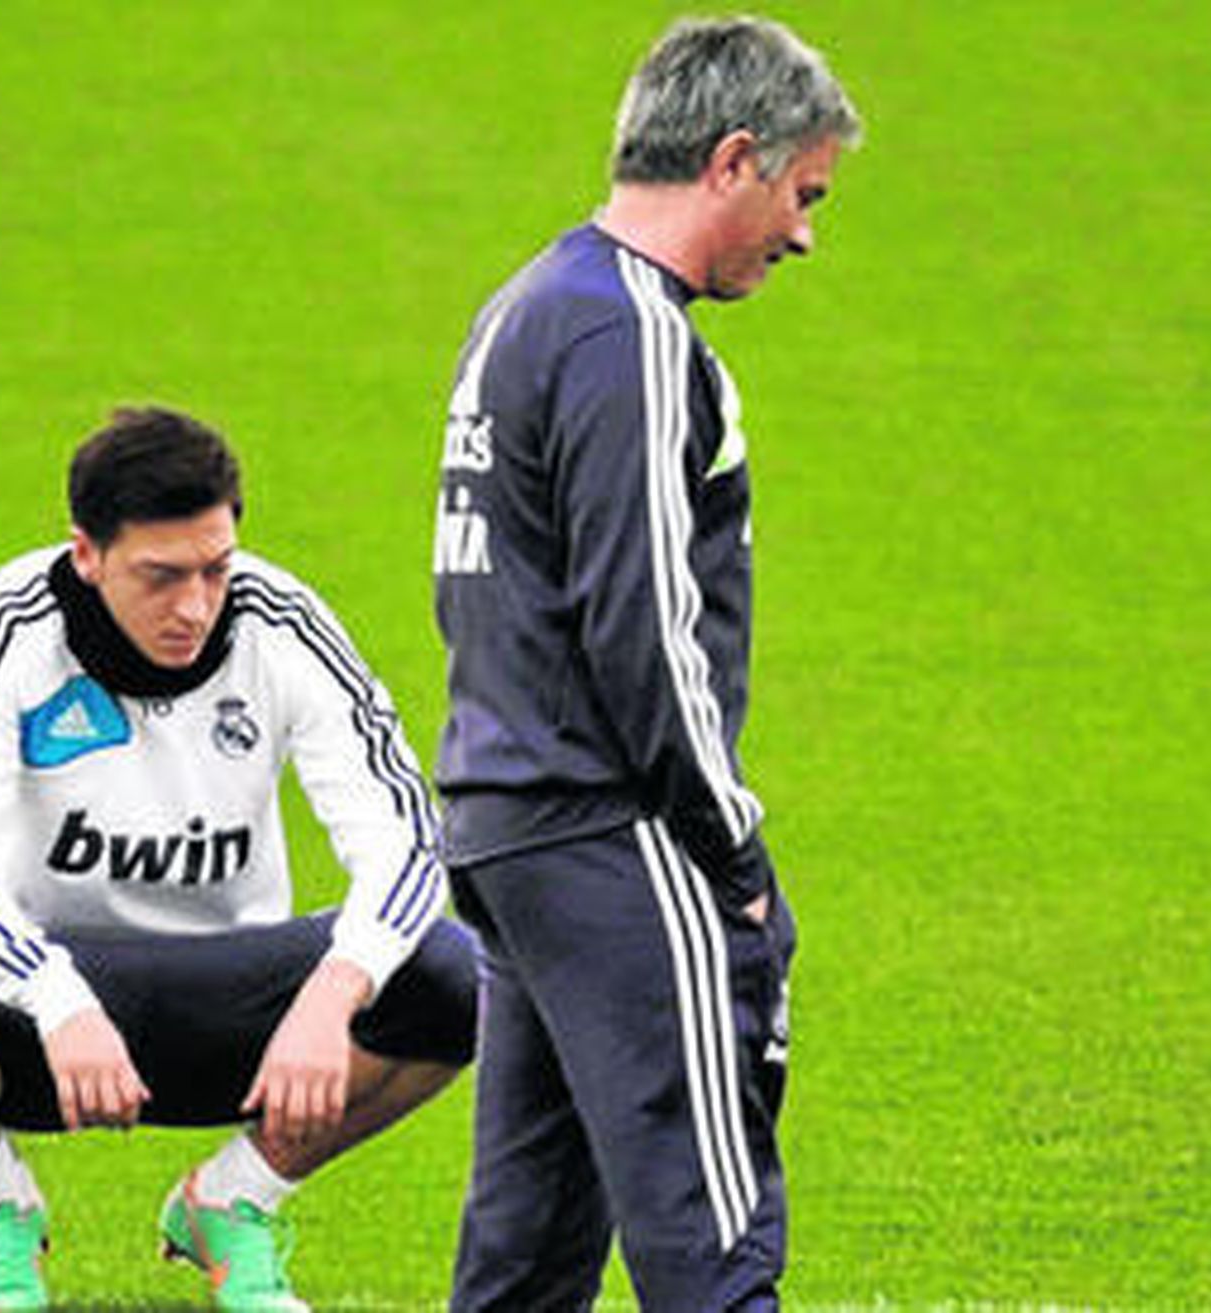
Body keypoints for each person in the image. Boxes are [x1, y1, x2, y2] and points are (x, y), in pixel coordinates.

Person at [0, 405, 477, 1313]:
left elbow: (407, 840)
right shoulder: (9, 624)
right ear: (87, 555)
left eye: (215, 568)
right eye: (161, 576)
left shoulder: (281, 621)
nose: (195, 605)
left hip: (239, 1010)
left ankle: (234, 1199)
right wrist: (55, 998)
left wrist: (335, 993)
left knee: (452, 974)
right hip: (45, 1021)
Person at [431, 16, 861, 1311]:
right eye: (802, 194)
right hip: (612, 834)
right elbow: (646, 630)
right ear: (732, 159)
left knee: (525, 1263)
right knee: (713, 1249)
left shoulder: (524, 309)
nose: (802, 235)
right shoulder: (632, 336)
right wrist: (734, 855)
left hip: (507, 825)